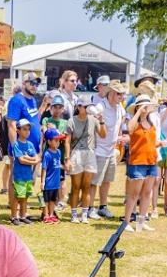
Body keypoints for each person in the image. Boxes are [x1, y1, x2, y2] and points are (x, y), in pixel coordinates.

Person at [6, 74, 42, 214]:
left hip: (32, 147)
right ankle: (14, 210)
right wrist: (15, 148)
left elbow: (34, 119)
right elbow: (11, 125)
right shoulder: (16, 100)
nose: (34, 86)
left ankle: (23, 211)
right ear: (24, 83)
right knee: (16, 178)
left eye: (37, 83)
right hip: (20, 146)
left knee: (28, 179)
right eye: (32, 83)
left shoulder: (32, 100)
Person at [93, 80, 128, 218]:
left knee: (107, 180)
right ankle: (89, 208)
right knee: (94, 181)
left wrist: (119, 134)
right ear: (112, 93)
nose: (122, 97)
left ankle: (102, 206)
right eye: (119, 94)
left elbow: (123, 119)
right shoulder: (100, 106)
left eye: (123, 94)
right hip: (99, 149)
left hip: (112, 149)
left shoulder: (120, 108)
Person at [125, 95, 160, 232]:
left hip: (151, 161)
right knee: (133, 194)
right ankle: (126, 222)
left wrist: (160, 144)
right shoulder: (135, 122)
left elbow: (150, 142)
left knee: (147, 193)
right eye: (143, 105)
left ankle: (141, 221)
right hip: (138, 161)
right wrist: (138, 111)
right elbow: (130, 128)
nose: (146, 108)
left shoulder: (151, 123)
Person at [66, 98, 105, 222]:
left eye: (89, 106)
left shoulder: (93, 120)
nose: (88, 108)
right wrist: (67, 159)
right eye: (85, 106)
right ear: (79, 107)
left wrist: (102, 121)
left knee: (87, 186)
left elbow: (103, 135)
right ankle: (74, 215)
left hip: (90, 153)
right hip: (76, 153)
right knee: (76, 186)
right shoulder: (72, 121)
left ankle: (84, 214)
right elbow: (67, 141)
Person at [9, 119, 40, 226]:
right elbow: (21, 160)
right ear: (17, 130)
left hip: (28, 176)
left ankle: (23, 216)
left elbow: (37, 158)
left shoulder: (30, 144)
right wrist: (31, 160)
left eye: (28, 129)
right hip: (19, 176)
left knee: (25, 197)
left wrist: (30, 159)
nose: (27, 132)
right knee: (18, 197)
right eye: (24, 129)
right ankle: (14, 216)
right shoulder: (16, 144)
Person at [41, 128, 64, 224]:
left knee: (53, 200)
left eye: (59, 140)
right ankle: (46, 215)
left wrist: (64, 167)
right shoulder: (47, 154)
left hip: (56, 182)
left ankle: (51, 215)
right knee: (46, 201)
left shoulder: (58, 152)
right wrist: (42, 182)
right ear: (49, 141)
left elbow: (58, 164)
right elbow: (44, 169)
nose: (58, 142)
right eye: (56, 140)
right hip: (48, 182)